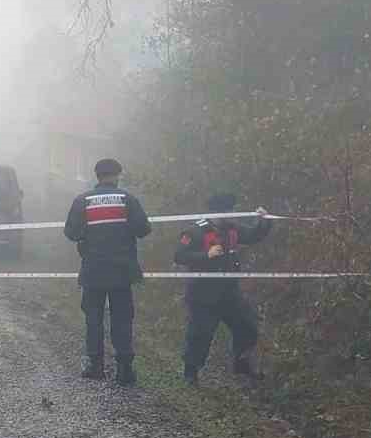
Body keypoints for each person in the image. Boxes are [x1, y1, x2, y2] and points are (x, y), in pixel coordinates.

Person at [63, 158, 152, 385]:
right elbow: (143, 229)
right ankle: (124, 368)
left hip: (93, 270)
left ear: (96, 176)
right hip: (122, 271)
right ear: (117, 175)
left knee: (93, 318)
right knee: (122, 317)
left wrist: (88, 233)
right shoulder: (127, 200)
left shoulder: (83, 201)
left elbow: (71, 233)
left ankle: (95, 366)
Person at [174, 192, 273, 386]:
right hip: (202, 294)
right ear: (219, 211)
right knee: (200, 334)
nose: (234, 215)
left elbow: (254, 236)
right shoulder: (195, 231)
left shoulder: (232, 228)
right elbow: (179, 256)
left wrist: (264, 221)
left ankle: (240, 362)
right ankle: (190, 373)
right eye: (230, 211)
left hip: (229, 292)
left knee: (248, 326)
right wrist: (206, 255)